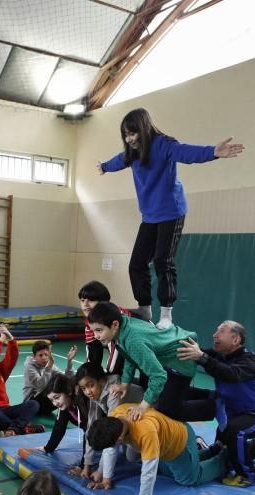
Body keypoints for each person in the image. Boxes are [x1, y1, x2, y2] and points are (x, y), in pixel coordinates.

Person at [97, 108, 244, 329]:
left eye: (133, 133)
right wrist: (104, 167)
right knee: (136, 263)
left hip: (171, 211)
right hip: (149, 215)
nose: (130, 139)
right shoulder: (132, 152)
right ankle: (145, 308)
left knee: (162, 260)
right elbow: (118, 160)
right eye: (126, 134)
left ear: (144, 129)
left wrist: (213, 151)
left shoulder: (163, 145)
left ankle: (166, 314)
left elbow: (186, 153)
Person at [88, 302, 215, 422]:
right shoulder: (122, 327)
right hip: (171, 352)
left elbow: (158, 376)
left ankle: (215, 407)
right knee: (168, 393)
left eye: (99, 330)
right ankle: (211, 395)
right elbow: (129, 357)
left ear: (114, 324)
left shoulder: (133, 340)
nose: (96, 336)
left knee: (168, 409)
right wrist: (125, 384)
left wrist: (143, 406)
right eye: (93, 331)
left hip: (181, 359)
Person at [87, 404, 226, 495]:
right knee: (167, 471)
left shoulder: (144, 432)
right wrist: (106, 480)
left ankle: (225, 458)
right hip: (162, 445)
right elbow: (109, 451)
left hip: (180, 442)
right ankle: (212, 450)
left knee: (188, 478)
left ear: (120, 438)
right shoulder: (115, 415)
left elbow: (149, 468)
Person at [177, 320, 255, 487]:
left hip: (252, 413)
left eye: (221, 331)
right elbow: (200, 354)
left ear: (236, 340)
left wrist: (202, 358)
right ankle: (219, 450)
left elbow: (230, 373)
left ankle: (247, 475)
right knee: (188, 395)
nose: (214, 335)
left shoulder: (249, 361)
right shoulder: (221, 355)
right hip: (229, 405)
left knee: (235, 431)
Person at [74, 362, 143, 482]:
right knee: (127, 449)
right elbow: (91, 426)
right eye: (83, 388)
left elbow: (111, 434)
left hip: (149, 413)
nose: (88, 392)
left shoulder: (114, 394)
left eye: (90, 385)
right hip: (128, 417)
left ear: (101, 381)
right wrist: (87, 466)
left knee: (132, 456)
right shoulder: (96, 393)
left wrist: (103, 475)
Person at [0, 324, 43, 437]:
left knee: (33, 404)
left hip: (5, 411)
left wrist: (10, 339)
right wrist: (1, 340)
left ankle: (13, 430)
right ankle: (22, 428)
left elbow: (12, 357)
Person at [23, 340, 77, 415]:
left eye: (46, 354)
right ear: (34, 356)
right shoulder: (29, 366)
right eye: (40, 355)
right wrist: (49, 367)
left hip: (48, 401)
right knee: (58, 385)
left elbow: (66, 379)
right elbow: (41, 387)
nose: (44, 357)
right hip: (33, 404)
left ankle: (76, 412)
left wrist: (69, 361)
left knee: (70, 384)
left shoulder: (49, 364)